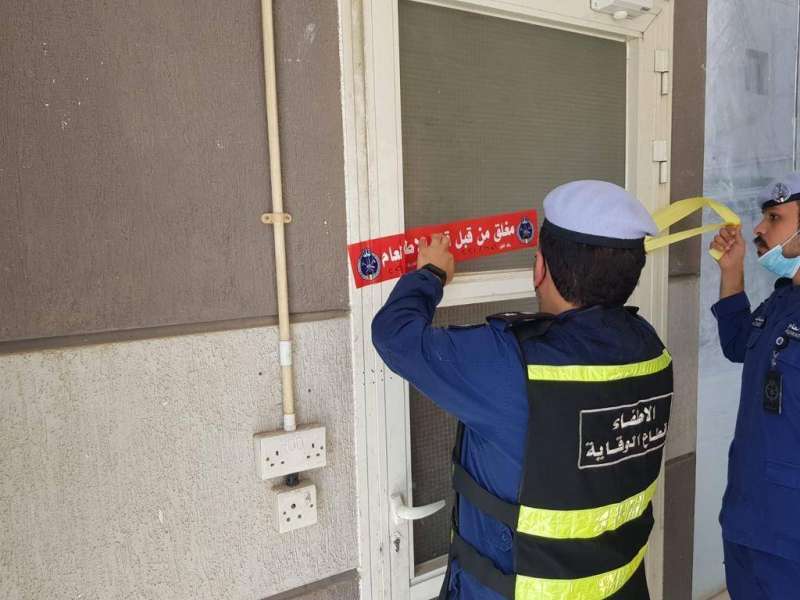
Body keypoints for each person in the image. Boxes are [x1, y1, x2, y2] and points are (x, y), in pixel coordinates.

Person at [372, 180, 674, 599]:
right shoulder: (651, 349)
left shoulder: (513, 365)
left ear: (539, 268)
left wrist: (431, 274)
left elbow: (395, 336)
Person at [709, 173, 800, 598]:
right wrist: (732, 270)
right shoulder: (782, 299)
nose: (759, 228)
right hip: (746, 518)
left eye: (774, 217)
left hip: (790, 535)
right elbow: (737, 344)